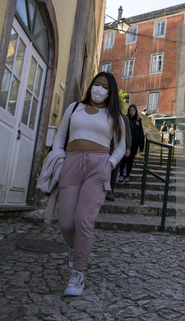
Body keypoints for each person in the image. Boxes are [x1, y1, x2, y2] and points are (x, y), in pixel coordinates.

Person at [52, 72, 125, 297]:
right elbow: (60, 135)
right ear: (91, 86)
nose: (100, 89)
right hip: (71, 165)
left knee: (84, 220)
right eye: (97, 84)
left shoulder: (115, 116)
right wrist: (60, 157)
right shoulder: (74, 108)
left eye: (105, 86)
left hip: (98, 168)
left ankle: (78, 273)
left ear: (110, 92)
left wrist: (110, 165)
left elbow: (120, 146)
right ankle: (75, 249)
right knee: (65, 222)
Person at [107, 113, 131, 200]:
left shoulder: (124, 118)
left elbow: (127, 133)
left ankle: (110, 190)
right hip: (104, 147)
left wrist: (128, 147)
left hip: (116, 148)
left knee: (114, 170)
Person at [119, 105, 145, 184]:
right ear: (128, 111)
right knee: (123, 159)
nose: (132, 112)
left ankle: (127, 175)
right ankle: (121, 174)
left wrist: (141, 146)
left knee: (130, 161)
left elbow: (141, 133)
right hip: (125, 143)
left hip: (134, 145)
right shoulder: (125, 119)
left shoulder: (138, 121)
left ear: (136, 111)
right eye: (130, 110)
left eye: (133, 110)